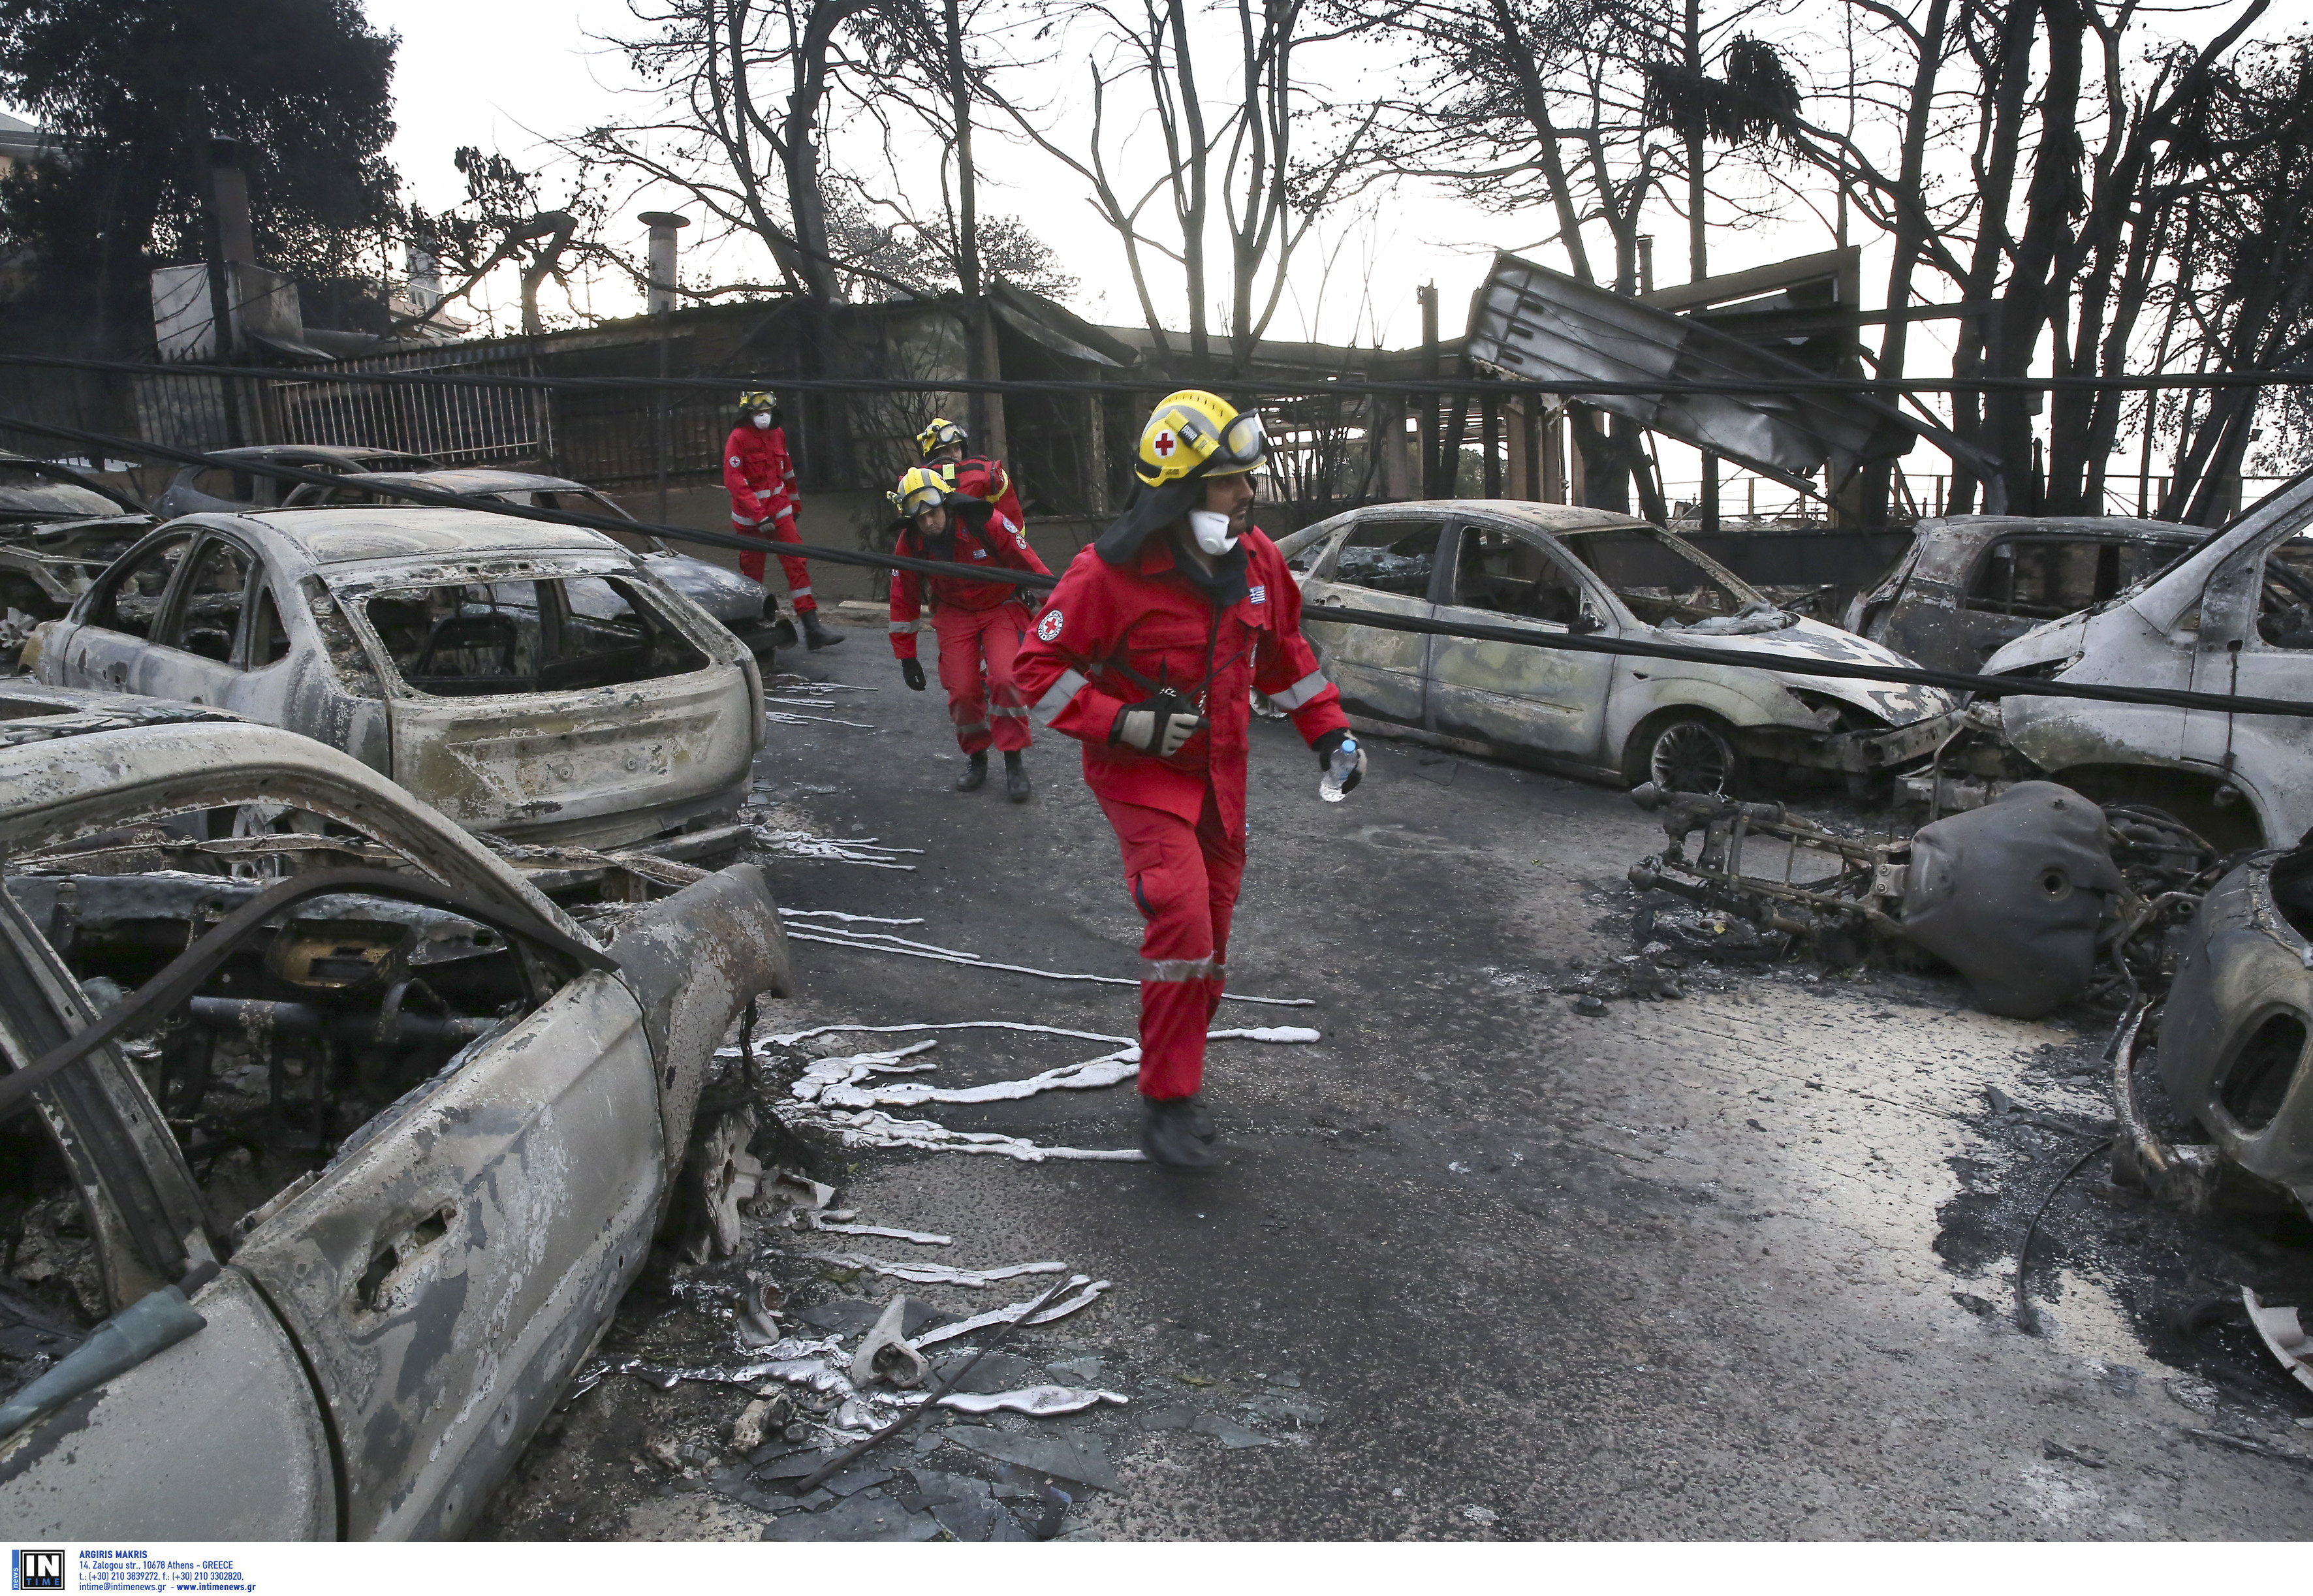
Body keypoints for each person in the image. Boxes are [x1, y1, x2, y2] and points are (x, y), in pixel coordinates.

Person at [1011, 390, 1366, 1169]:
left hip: (1221, 779)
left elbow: (1286, 662)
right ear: (1179, 488)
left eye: (1248, 477)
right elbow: (1036, 670)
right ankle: (1165, 1101)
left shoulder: (1260, 562)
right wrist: (1124, 722)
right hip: (1140, 782)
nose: (1248, 494)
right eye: (1229, 480)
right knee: (1182, 922)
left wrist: (1331, 732)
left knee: (1209, 945)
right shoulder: (1106, 575)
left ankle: (1181, 1078)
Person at [888, 465, 1050, 801]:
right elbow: (902, 598)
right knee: (962, 690)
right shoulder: (911, 543)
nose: (930, 523)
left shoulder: (985, 522)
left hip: (1000, 605)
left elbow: (1032, 567)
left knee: (1005, 679)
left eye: (933, 513)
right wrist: (907, 657)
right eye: (922, 518)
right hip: (954, 612)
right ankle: (976, 759)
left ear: (946, 505)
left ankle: (1013, 761)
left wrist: (1064, 620)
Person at [724, 390, 841, 650]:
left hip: (780, 512)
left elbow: (786, 471)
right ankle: (755, 628)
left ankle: (812, 628)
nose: (763, 416)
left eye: (767, 411)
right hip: (751, 522)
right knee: (752, 576)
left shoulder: (778, 434)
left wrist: (795, 503)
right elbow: (735, 481)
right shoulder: (738, 439)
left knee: (797, 562)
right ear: (747, 413)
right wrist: (758, 514)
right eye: (757, 412)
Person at [916, 416, 1027, 533]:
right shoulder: (919, 484)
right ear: (933, 456)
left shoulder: (988, 475)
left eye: (957, 448)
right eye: (945, 451)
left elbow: (1013, 521)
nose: (954, 455)